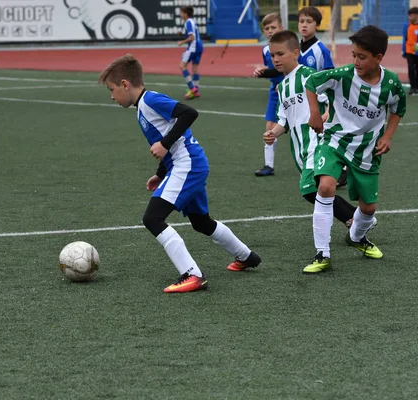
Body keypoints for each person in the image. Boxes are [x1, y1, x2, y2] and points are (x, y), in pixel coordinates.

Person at [98, 54, 261, 293]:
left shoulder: (150, 100)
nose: (112, 96)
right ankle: (247, 257)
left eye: (112, 90)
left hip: (188, 165)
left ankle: (192, 274)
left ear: (125, 84)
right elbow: (170, 144)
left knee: (152, 218)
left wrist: (164, 143)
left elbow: (189, 113)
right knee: (201, 222)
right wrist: (160, 173)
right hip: (184, 165)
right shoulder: (142, 108)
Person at [303, 25, 407, 274]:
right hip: (334, 142)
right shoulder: (342, 76)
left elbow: (398, 109)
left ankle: (357, 237)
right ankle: (322, 254)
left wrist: (388, 137)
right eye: (354, 55)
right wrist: (315, 113)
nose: (356, 61)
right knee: (326, 186)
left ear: (378, 58)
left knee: (368, 208)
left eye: (362, 57)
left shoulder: (391, 84)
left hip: (367, 149)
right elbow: (311, 82)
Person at [262, 30, 357, 228]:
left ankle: (354, 218)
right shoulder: (282, 87)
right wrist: (273, 133)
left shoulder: (309, 77)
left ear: (296, 53)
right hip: (300, 150)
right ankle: (355, 219)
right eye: (272, 55)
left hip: (317, 143)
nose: (275, 59)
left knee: (309, 190)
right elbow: (284, 121)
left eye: (280, 54)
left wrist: (325, 115)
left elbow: (333, 99)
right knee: (317, 191)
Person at [297, 6, 348, 188]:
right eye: (302, 21)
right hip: (302, 102)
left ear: (317, 25)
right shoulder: (295, 49)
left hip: (319, 102)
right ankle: (316, 170)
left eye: (309, 22)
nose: (304, 25)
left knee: (322, 137)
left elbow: (330, 79)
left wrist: (328, 106)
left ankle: (340, 170)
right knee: (309, 138)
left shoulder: (321, 51)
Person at [253, 13, 285, 177]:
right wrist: (263, 71)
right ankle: (268, 166)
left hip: (291, 91)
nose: (270, 31)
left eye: (273, 27)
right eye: (267, 28)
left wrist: (263, 73)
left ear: (281, 28)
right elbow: (272, 70)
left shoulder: (289, 47)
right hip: (275, 93)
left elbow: (289, 69)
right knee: (269, 128)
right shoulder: (265, 49)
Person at [178, 6, 203, 100]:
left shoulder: (188, 22)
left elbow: (192, 37)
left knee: (182, 66)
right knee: (195, 68)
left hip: (193, 47)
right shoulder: (191, 21)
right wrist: (182, 34)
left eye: (181, 13)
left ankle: (192, 89)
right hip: (199, 46)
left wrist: (182, 42)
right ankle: (196, 90)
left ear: (185, 13)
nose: (180, 15)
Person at [402, 6, 418, 95]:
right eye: (409, 15)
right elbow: (404, 39)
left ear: (417, 15)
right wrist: (403, 50)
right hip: (409, 51)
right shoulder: (406, 25)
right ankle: (412, 87)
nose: (410, 17)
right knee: (411, 69)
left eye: (411, 15)